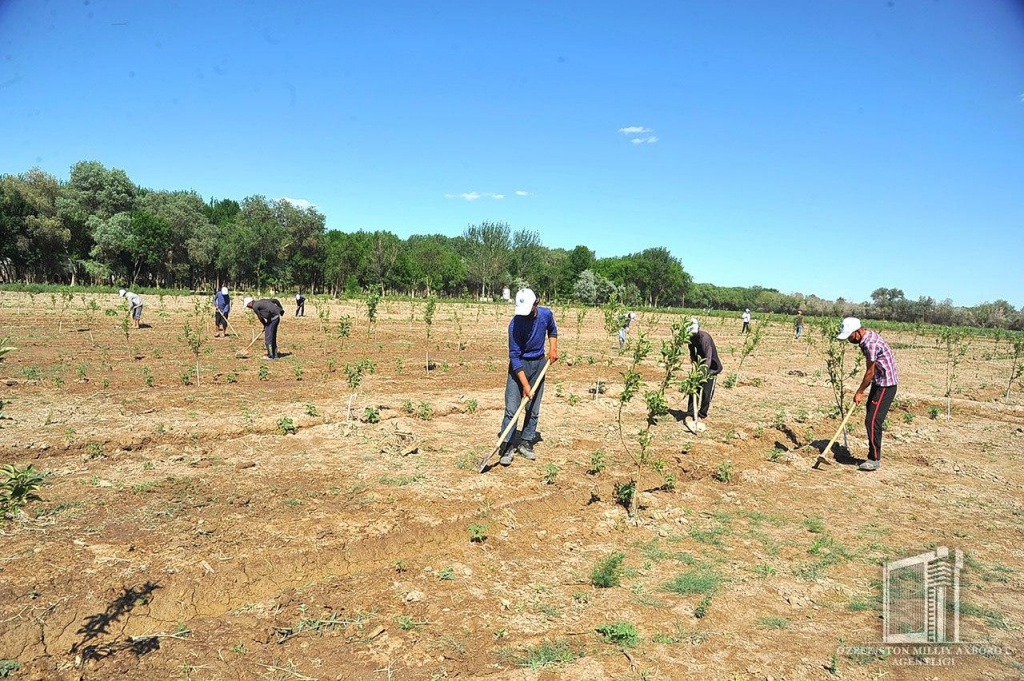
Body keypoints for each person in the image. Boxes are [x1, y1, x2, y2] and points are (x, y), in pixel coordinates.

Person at [498, 288, 559, 466]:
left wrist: (553, 347)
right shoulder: (514, 325)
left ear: (536, 304)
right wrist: (525, 385)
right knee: (512, 408)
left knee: (533, 408)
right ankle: (507, 445)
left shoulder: (545, 315)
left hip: (539, 364)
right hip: (519, 367)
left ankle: (526, 441)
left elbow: (552, 329)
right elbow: (514, 357)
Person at [837, 317, 899, 471]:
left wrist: (859, 392)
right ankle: (873, 455)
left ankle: (874, 459)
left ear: (858, 332)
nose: (849, 339)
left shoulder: (870, 344)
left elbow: (870, 372)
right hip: (879, 382)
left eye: (850, 336)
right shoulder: (866, 338)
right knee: (870, 418)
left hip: (886, 385)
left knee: (872, 421)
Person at [684, 318, 722, 433]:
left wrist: (703, 373)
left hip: (711, 367)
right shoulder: (691, 336)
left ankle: (701, 414)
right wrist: (694, 359)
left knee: (706, 392)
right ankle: (691, 412)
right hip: (700, 365)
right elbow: (691, 348)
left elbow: (708, 357)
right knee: (693, 389)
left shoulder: (704, 338)